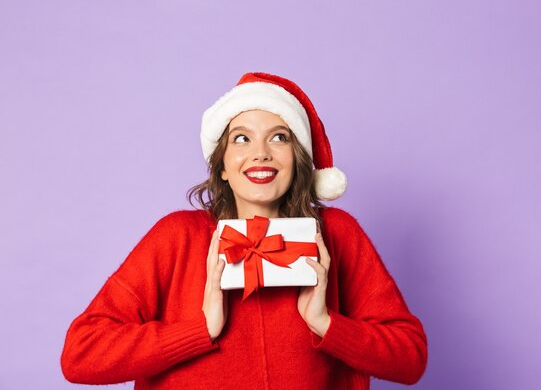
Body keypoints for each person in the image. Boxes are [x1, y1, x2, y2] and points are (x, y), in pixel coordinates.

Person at [61, 72, 428, 389]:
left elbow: (410, 358)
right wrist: (198, 330)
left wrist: (326, 323)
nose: (261, 153)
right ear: (221, 165)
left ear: (297, 159)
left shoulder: (337, 234)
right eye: (241, 138)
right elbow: (81, 354)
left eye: (279, 137)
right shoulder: (176, 237)